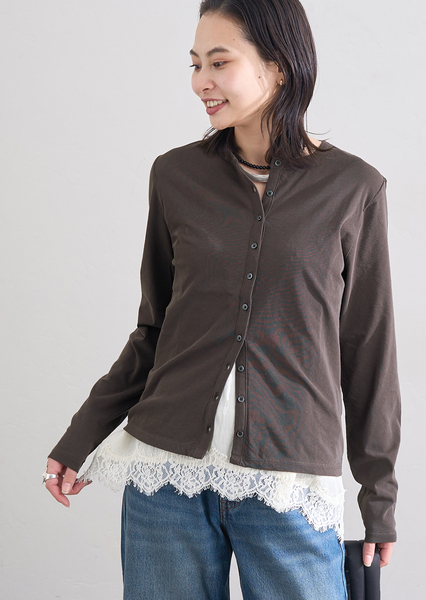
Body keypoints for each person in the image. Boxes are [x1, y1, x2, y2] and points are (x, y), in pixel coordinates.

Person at [44, 1, 401, 598]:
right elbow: (155, 330)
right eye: (194, 64)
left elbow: (368, 353)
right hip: (166, 479)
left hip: (287, 482)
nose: (200, 82)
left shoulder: (354, 189)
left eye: (219, 62)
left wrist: (379, 499)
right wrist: (82, 435)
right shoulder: (175, 176)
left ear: (278, 67)